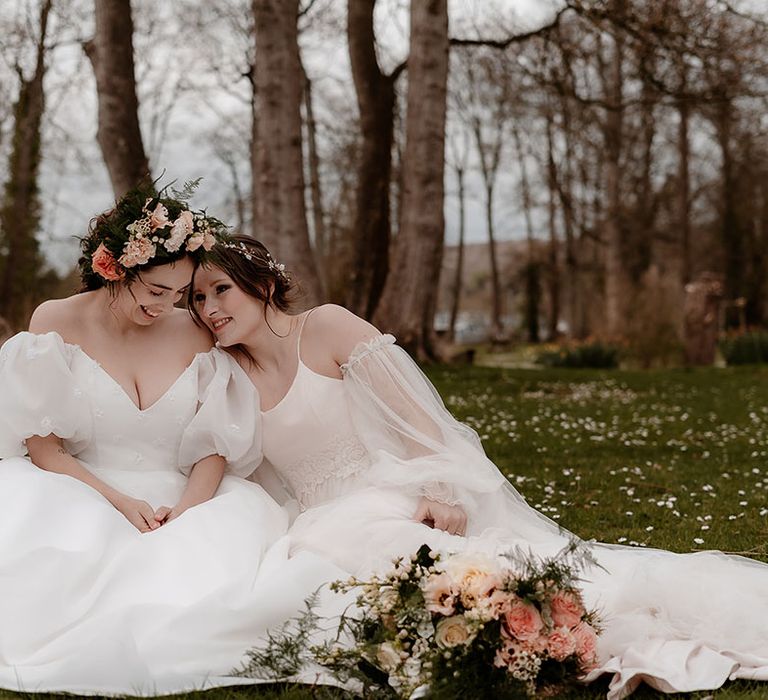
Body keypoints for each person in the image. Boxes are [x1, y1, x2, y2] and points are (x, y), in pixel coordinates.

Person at [192, 235, 768, 700]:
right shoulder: (224, 375)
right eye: (197, 299)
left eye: (221, 290)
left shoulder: (327, 327)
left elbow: (417, 416)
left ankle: (526, 622)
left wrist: (441, 490)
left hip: (388, 493)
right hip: (316, 523)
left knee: (444, 568)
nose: (210, 308)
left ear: (263, 284)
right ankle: (496, 635)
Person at [0, 188, 346, 694]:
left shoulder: (194, 331)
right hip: (79, 483)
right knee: (57, 557)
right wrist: (119, 502)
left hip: (186, 491)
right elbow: (45, 449)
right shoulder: (55, 321)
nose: (167, 306)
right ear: (115, 266)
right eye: (157, 290)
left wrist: (188, 510)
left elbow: (213, 444)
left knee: (215, 577)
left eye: (180, 294)